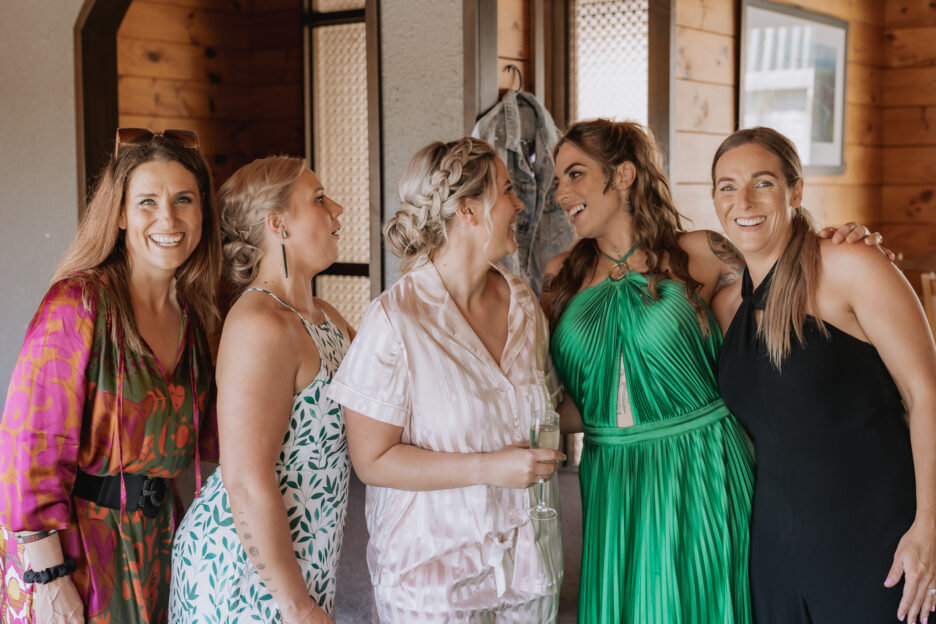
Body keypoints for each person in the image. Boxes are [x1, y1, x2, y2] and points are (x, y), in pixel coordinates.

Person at [542, 118, 880, 623]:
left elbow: (793, 270)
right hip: (613, 474)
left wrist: (843, 241)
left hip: (702, 461)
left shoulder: (699, 253)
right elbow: (581, 400)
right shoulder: (559, 276)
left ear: (625, 175)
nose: (560, 193)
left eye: (574, 174)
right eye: (557, 180)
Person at [327, 137, 565, 622]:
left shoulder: (523, 304)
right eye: (507, 190)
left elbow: (547, 406)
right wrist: (486, 468)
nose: (521, 203)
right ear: (469, 210)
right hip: (434, 583)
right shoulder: (395, 322)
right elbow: (372, 460)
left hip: (528, 568)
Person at [712, 127, 936, 624]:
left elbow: (927, 394)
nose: (742, 199)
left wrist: (929, 527)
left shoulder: (850, 265)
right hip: (775, 550)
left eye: (762, 183)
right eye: (727, 186)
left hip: (876, 536)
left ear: (795, 191)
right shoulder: (727, 306)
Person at [0, 128, 221, 623]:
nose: (168, 218)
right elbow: (27, 447)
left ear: (202, 211)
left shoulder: (194, 316)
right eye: (147, 202)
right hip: (73, 551)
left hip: (157, 541)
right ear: (120, 215)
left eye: (184, 199)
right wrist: (49, 578)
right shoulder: (79, 304)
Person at [169, 156, 354, 624]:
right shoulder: (259, 323)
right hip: (243, 571)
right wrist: (295, 605)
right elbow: (246, 480)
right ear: (278, 225)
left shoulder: (327, 317)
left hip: (306, 559)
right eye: (317, 199)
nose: (337, 208)